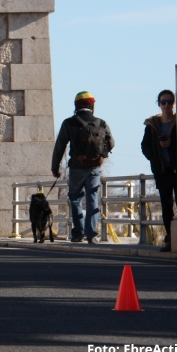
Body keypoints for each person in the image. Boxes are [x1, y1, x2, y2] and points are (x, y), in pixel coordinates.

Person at [51, 91, 115, 244]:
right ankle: (91, 234)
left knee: (75, 198)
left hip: (76, 167)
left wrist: (55, 167)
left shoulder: (69, 123)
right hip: (94, 167)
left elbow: (60, 146)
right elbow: (111, 142)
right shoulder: (101, 123)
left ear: (76, 105)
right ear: (92, 105)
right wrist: (102, 155)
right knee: (92, 198)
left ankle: (78, 234)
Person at [141, 89, 177, 252]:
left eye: (169, 101)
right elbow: (145, 146)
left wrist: (171, 144)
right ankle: (171, 239)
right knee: (166, 205)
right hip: (162, 170)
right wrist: (154, 158)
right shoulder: (153, 125)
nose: (166, 105)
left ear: (174, 103)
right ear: (159, 104)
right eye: (163, 102)